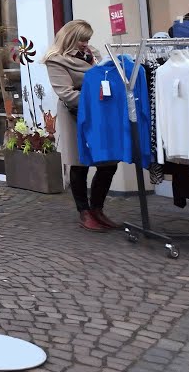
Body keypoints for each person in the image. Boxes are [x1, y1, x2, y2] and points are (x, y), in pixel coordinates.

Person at [44, 19, 119, 232]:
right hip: (75, 114)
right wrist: (96, 98)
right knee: (79, 163)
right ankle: (84, 212)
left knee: (108, 162)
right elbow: (66, 93)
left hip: (101, 114)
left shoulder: (93, 53)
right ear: (70, 39)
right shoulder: (56, 60)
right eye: (82, 40)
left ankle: (98, 209)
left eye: (88, 39)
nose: (86, 43)